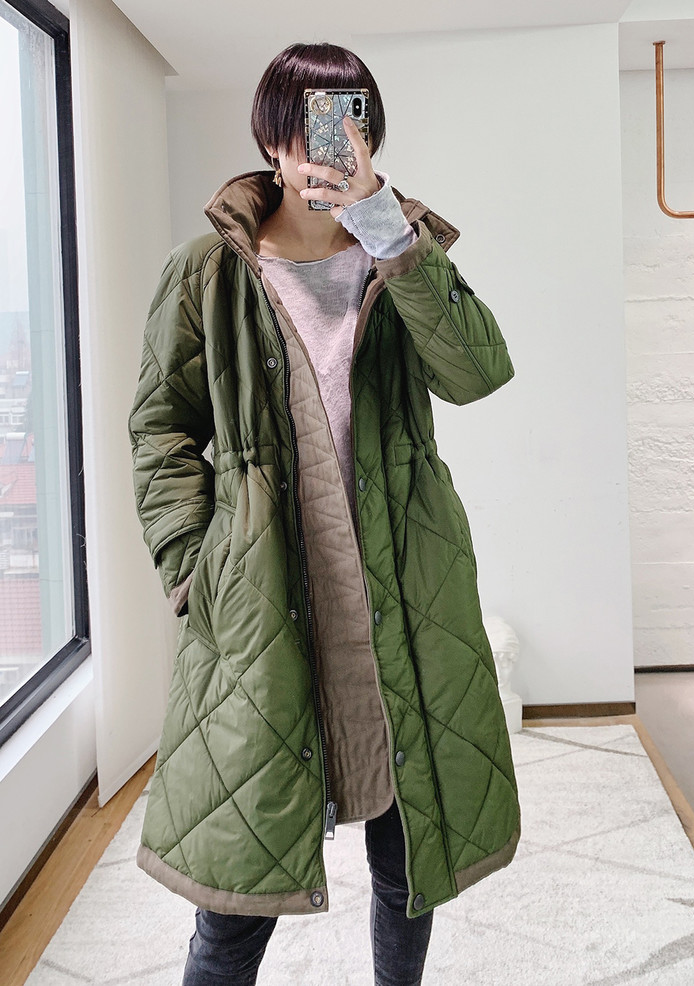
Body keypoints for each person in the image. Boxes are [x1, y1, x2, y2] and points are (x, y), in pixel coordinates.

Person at [128, 41, 521, 986]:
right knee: (237, 891)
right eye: (306, 121)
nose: (326, 140)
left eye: (348, 118)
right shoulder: (207, 271)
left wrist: (386, 229)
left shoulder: (401, 253)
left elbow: (478, 372)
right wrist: (193, 565)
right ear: (271, 138)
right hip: (266, 597)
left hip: (400, 585)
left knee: (410, 867)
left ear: (370, 135)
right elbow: (160, 430)